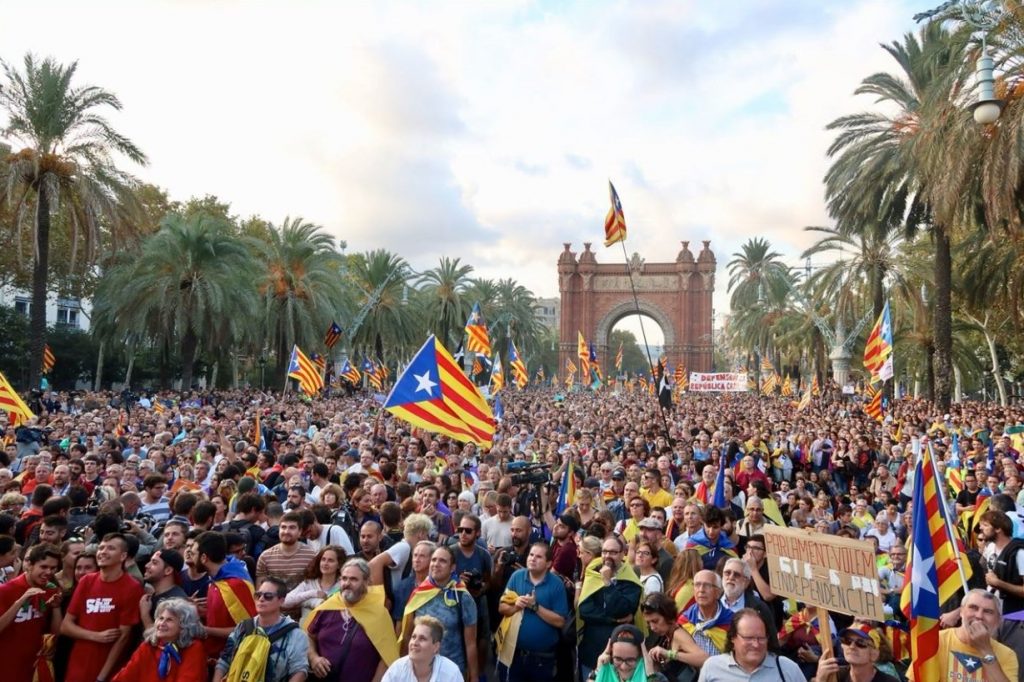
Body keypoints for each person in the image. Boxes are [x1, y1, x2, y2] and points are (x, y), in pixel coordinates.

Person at [60, 533, 145, 682]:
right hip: (78, 665)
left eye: (111, 548)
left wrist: (102, 677)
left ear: (123, 555)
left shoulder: (132, 587)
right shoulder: (86, 581)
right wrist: (96, 636)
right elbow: (66, 626)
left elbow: (123, 637)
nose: (103, 552)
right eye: (101, 548)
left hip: (108, 668)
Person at [304, 558, 398, 682]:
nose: (347, 583)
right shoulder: (328, 607)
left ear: (366, 583)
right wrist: (314, 658)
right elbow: (309, 635)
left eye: (353, 579)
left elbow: (386, 658)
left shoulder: (379, 614)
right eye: (344, 578)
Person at [398, 545, 479, 682]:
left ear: (452, 567)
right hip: (419, 670)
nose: (436, 564)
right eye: (434, 560)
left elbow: (471, 643)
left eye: (442, 561)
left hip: (452, 671)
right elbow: (407, 635)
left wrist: (474, 677)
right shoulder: (419, 593)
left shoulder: (462, 597)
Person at [497, 541, 570, 682]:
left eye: (538, 557)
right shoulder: (517, 576)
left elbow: (561, 622)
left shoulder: (556, 584)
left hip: (542, 659)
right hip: (514, 655)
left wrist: (535, 607)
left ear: (549, 563)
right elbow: (501, 608)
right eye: (531, 555)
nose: (532, 559)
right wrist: (516, 606)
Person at [907, 589, 1017, 682]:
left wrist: (986, 650)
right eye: (973, 607)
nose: (979, 616)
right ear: (961, 612)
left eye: (988, 612)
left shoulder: (1007, 655)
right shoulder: (935, 641)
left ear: (998, 620)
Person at [213, 576, 310, 682]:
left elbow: (299, 672)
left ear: (281, 601)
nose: (261, 599)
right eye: (258, 595)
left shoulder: (295, 634)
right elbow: (223, 662)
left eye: (268, 596)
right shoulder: (243, 627)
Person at [578, 535, 643, 680]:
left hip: (621, 657)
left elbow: (622, 609)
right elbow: (584, 611)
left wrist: (607, 583)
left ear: (622, 554)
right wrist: (613, 619)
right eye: (604, 552)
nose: (608, 556)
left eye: (613, 552)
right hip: (592, 650)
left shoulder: (630, 579)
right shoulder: (593, 572)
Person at [0, 542, 63, 681]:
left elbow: (55, 634)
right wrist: (20, 601)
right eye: (44, 567)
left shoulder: (51, 589)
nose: (49, 572)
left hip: (33, 666)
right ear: (29, 565)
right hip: (5, 666)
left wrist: (56, 607)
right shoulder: (6, 591)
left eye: (53, 568)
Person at [111, 598, 207, 682]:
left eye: (169, 620)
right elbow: (124, 677)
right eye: (160, 618)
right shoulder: (148, 646)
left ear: (184, 625)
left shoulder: (194, 647)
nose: (162, 623)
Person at [197, 530, 258, 661]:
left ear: (203, 558)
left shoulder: (235, 584)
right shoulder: (217, 579)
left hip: (232, 660)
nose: (188, 557)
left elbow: (248, 629)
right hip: (214, 657)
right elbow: (226, 614)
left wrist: (204, 630)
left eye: (192, 553)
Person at [698, 607, 803, 681]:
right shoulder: (712, 668)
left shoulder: (788, 669)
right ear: (733, 638)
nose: (756, 644)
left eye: (761, 638)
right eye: (748, 638)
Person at [640, 592, 708, 681]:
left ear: (667, 615)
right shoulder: (666, 635)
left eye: (655, 621)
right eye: (648, 623)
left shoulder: (678, 634)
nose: (652, 627)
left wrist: (669, 654)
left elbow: (704, 658)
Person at [381, 615, 462, 682]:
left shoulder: (451, 673)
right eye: (413, 637)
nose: (414, 643)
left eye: (422, 639)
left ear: (436, 647)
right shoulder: (397, 669)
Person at [283, 545, 345, 621]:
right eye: (323, 559)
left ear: (339, 565)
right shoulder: (309, 583)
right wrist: (313, 594)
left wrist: (305, 602)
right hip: (305, 630)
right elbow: (285, 602)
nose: (325, 563)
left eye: (330, 560)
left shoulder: (343, 585)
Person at [815, 626, 899, 682]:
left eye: (861, 643)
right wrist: (820, 679)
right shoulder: (834, 675)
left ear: (874, 654)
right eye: (847, 641)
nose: (852, 646)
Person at [590, 623, 667, 682]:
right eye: (618, 659)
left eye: (630, 660)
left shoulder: (657, 678)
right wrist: (597, 672)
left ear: (641, 656)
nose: (623, 667)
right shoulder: (605, 674)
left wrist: (650, 676)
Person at [139, 548, 188, 629]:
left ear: (168, 570)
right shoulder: (154, 595)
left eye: (154, 563)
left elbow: (162, 639)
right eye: (150, 561)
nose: (147, 565)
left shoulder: (175, 602)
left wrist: (145, 615)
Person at [684, 506, 738, 570]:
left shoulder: (729, 548)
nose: (711, 531)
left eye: (715, 527)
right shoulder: (692, 544)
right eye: (708, 526)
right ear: (703, 523)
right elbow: (687, 570)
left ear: (721, 526)